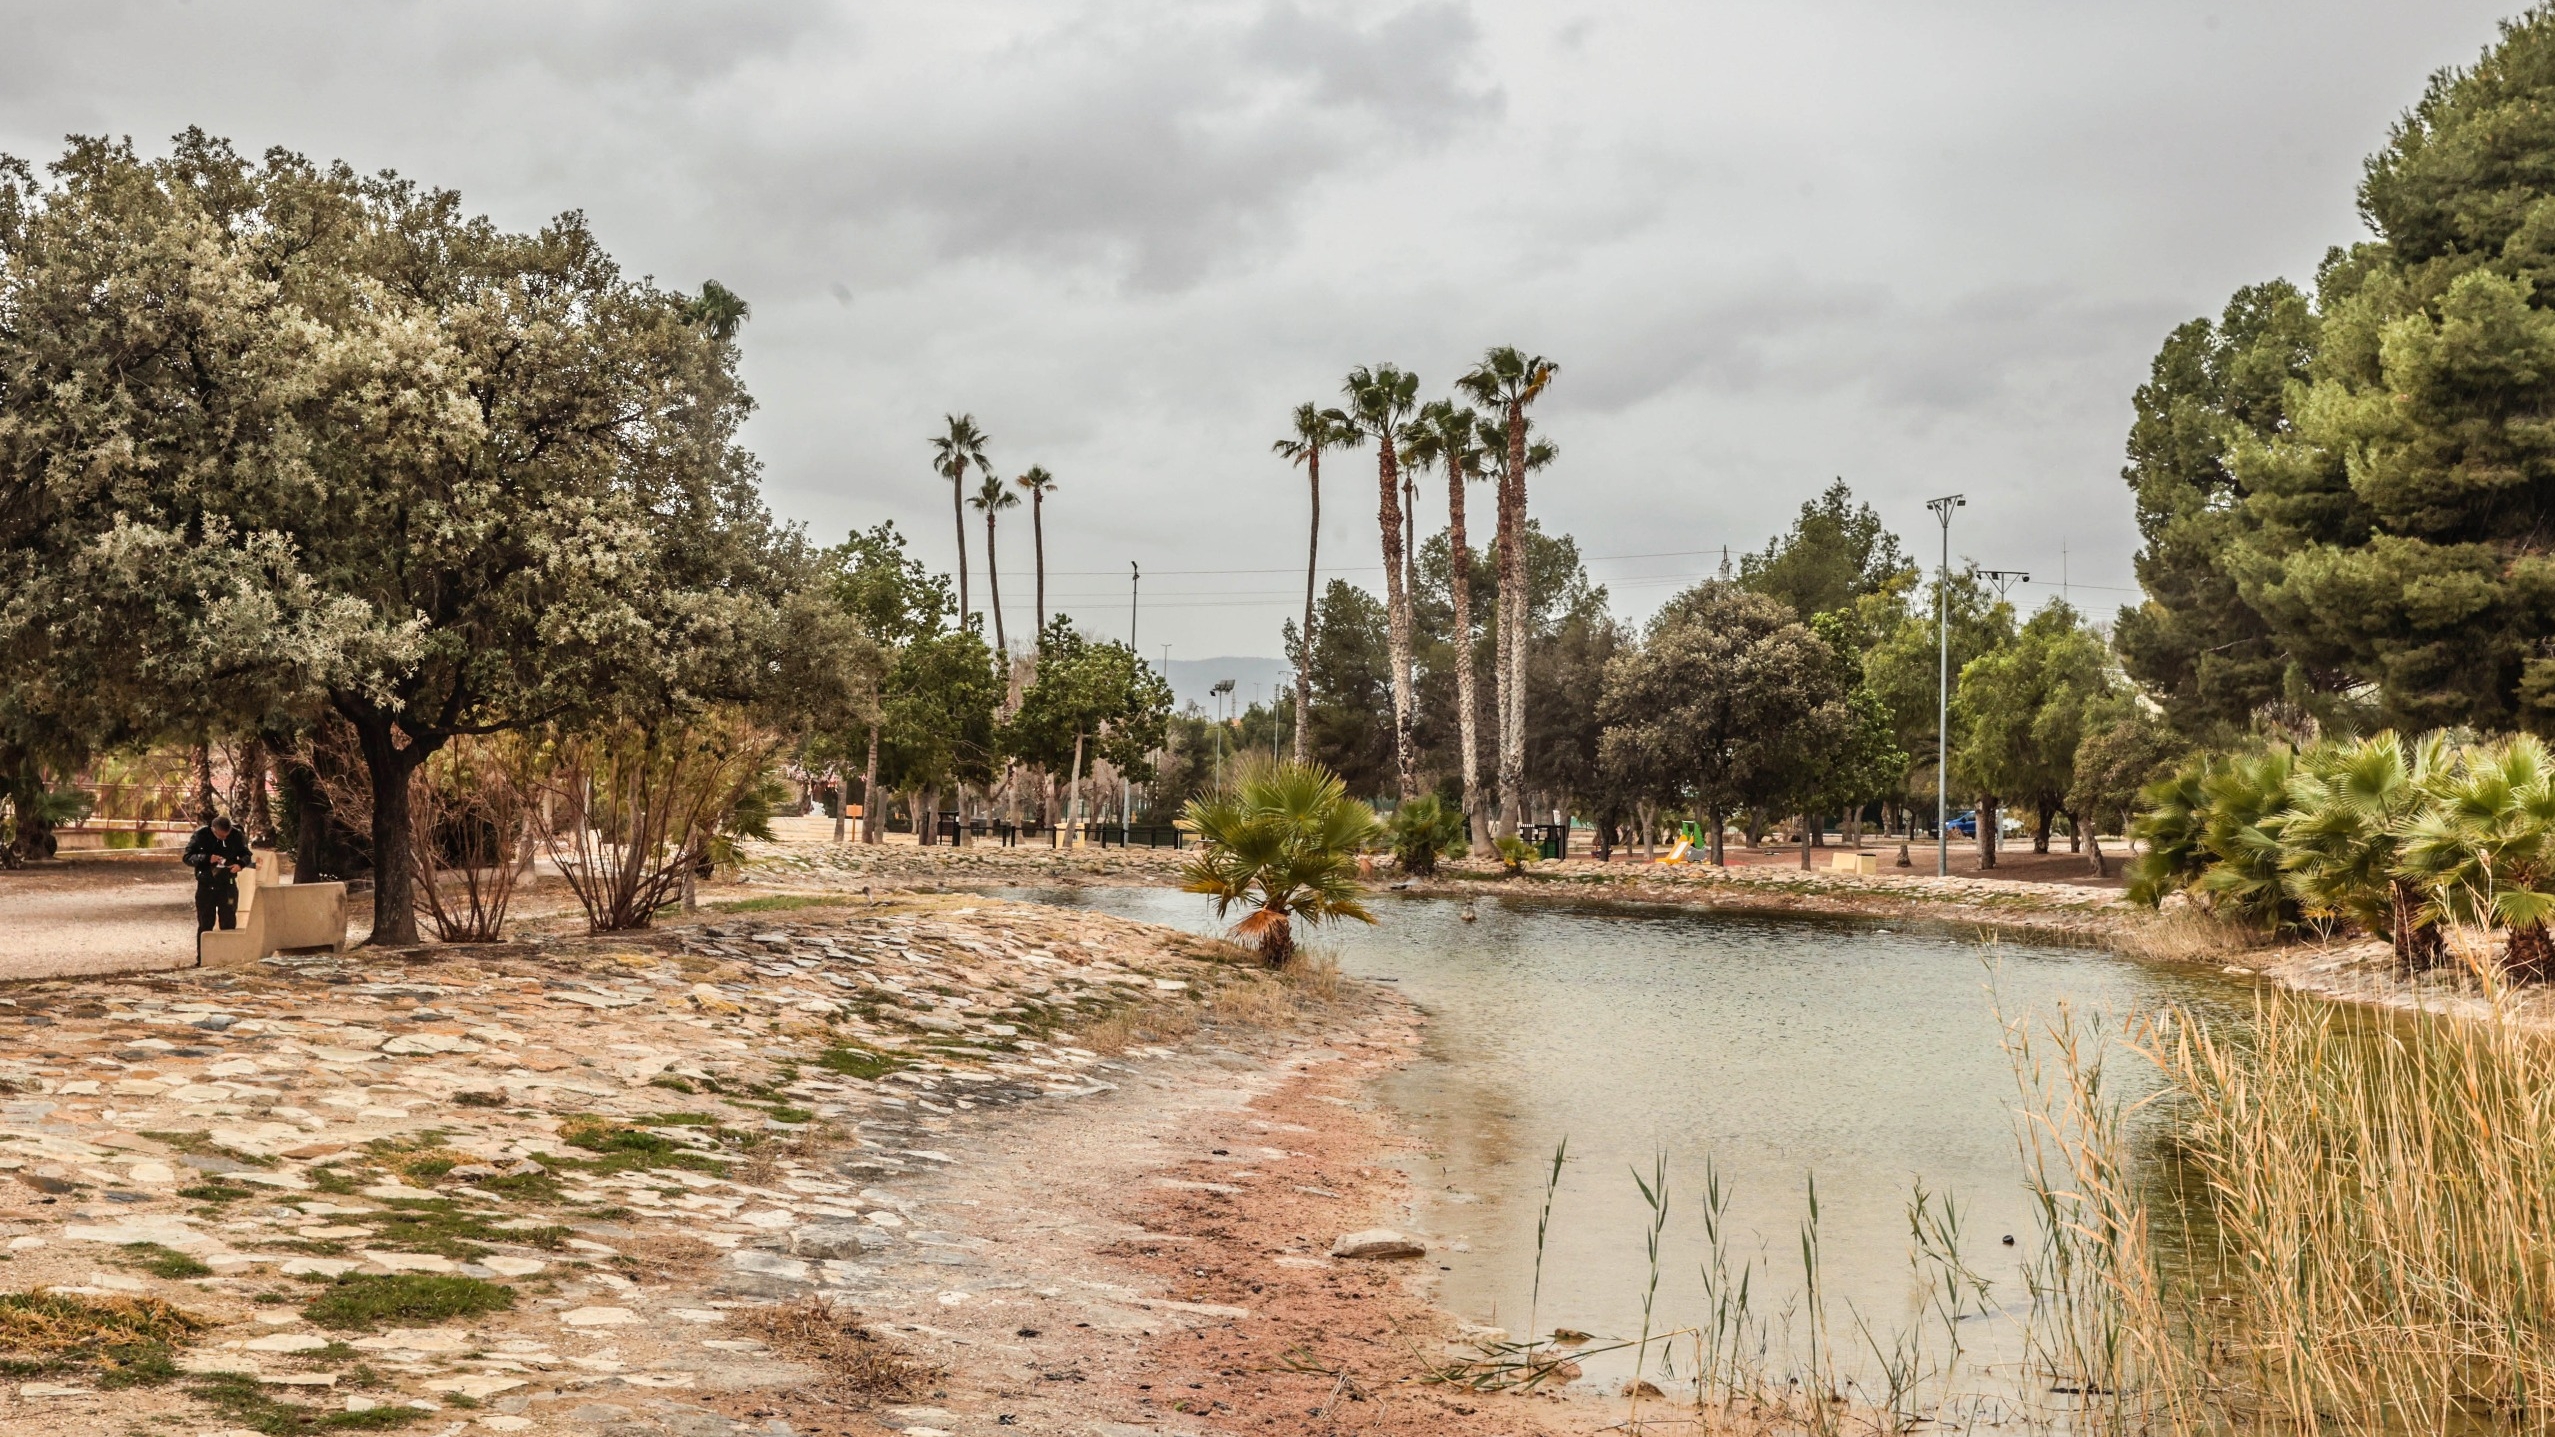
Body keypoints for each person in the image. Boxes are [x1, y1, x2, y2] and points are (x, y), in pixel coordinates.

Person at [183, 815, 254, 933]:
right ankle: (204, 945)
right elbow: (187, 857)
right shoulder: (201, 835)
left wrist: (240, 864)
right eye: (220, 836)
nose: (223, 838)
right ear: (213, 829)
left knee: (228, 924)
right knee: (205, 924)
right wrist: (206, 858)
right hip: (206, 885)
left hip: (228, 885)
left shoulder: (236, 835)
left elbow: (247, 854)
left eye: (226, 836)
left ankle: (227, 945)